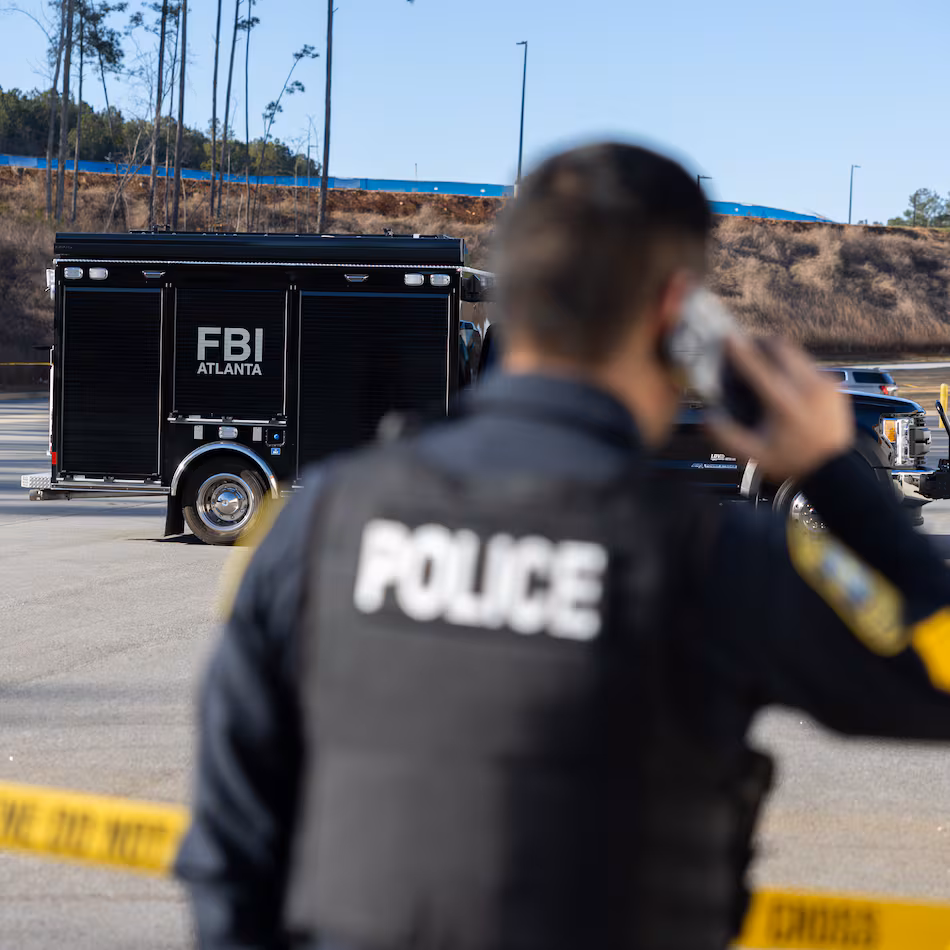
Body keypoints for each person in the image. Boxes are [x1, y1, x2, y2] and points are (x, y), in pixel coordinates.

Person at [175, 143, 950, 950]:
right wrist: (836, 474)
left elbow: (229, 856)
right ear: (679, 318)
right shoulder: (718, 560)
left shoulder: (320, 521)